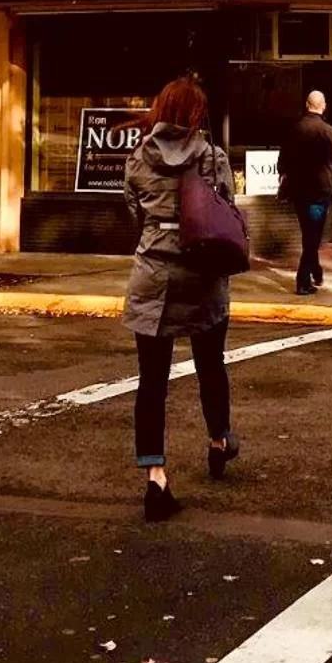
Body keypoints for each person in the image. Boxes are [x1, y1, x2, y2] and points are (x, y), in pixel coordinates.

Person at [123, 75, 238, 523]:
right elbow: (226, 207)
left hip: (153, 276)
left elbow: (134, 213)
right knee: (211, 363)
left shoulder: (138, 158)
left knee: (151, 381)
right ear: (195, 114)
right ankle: (218, 439)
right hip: (203, 275)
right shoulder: (212, 157)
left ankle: (155, 475)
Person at [278, 89, 332, 295]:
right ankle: (303, 279)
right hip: (319, 190)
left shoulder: (293, 129)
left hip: (299, 191)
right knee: (312, 236)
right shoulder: (329, 131)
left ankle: (316, 272)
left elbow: (282, 162)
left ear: (307, 105)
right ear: (322, 106)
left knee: (309, 233)